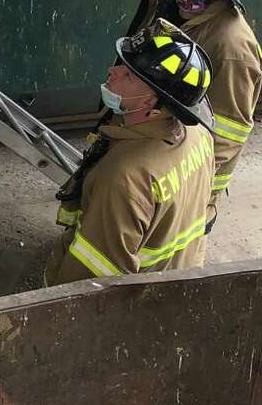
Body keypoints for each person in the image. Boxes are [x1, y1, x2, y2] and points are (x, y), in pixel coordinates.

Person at [45, 18, 214, 286]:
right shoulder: (197, 135)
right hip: (178, 281)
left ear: (150, 102)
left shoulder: (125, 177)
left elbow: (91, 278)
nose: (113, 71)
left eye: (128, 75)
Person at [124, 0, 260, 227]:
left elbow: (228, 134)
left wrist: (196, 196)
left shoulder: (232, 46)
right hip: (147, 135)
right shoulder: (170, 1)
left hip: (178, 168)